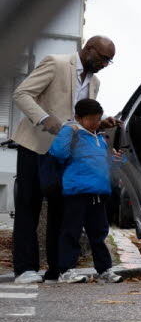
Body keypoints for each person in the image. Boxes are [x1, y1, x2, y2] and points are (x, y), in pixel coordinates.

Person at [10, 36, 118, 285]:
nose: (105, 64)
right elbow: (22, 93)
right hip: (35, 146)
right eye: (103, 58)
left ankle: (56, 270)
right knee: (29, 206)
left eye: (109, 61)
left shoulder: (95, 82)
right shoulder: (56, 64)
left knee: (62, 210)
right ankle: (25, 269)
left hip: (66, 154)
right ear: (89, 50)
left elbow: (78, 119)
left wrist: (100, 123)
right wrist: (44, 118)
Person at [49, 99, 123, 284]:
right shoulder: (73, 133)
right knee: (71, 232)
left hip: (98, 191)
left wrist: (118, 160)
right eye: (91, 119)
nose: (95, 123)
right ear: (78, 118)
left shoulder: (100, 138)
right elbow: (58, 153)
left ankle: (105, 270)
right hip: (77, 191)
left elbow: (104, 166)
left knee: (99, 233)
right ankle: (65, 270)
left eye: (98, 119)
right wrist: (69, 129)